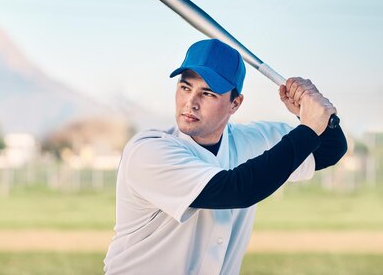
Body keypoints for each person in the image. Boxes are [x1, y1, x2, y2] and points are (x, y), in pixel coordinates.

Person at [103, 39, 347, 274]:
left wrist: (320, 113)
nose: (190, 103)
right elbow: (234, 189)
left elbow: (328, 150)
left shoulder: (251, 138)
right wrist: (308, 127)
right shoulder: (149, 151)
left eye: (208, 93)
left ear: (235, 104)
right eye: (185, 87)